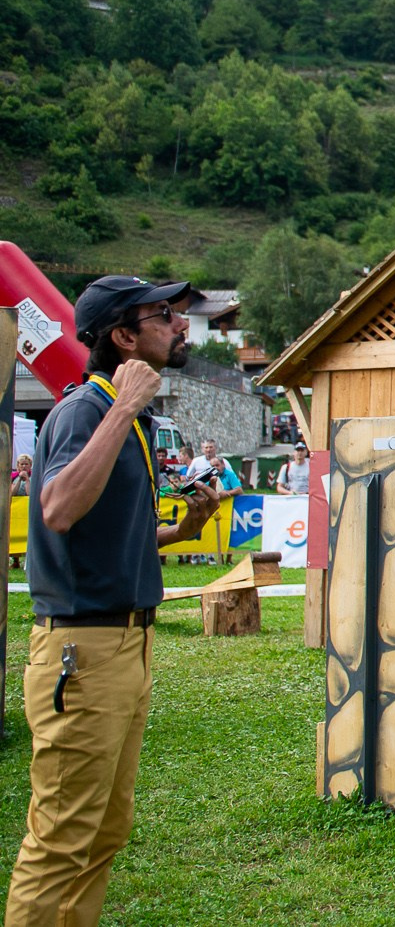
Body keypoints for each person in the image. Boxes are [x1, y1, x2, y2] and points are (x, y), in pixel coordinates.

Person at [8, 274, 220, 926]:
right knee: (62, 838)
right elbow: (59, 506)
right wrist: (123, 408)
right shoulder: (87, 411)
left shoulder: (125, 418)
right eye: (163, 315)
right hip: (85, 648)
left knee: (104, 829)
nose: (180, 324)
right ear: (123, 336)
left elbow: (108, 529)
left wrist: (180, 531)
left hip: (127, 645)